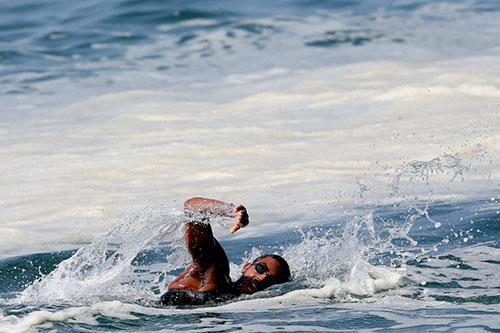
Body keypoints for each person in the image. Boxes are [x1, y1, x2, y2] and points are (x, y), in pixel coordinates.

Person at [160, 197, 291, 306]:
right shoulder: (216, 272)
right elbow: (192, 208)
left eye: (270, 280)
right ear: (246, 267)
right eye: (261, 268)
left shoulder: (233, 303)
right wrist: (231, 211)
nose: (262, 278)